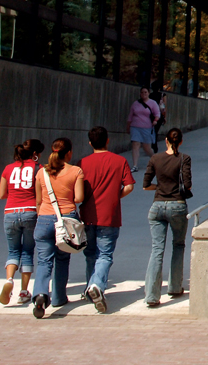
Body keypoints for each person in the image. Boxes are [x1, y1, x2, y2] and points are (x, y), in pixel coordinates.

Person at [79, 126, 135, 314]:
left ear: (90, 142)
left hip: (88, 215)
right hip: (109, 215)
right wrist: (115, 195)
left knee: (90, 254)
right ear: (108, 140)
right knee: (105, 255)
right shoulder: (120, 161)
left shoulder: (83, 163)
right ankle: (97, 286)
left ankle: (90, 288)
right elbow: (129, 186)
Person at [31, 138, 85, 318]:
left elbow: (38, 200)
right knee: (62, 259)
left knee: (44, 260)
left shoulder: (42, 172)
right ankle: (59, 297)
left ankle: (40, 294)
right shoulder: (76, 171)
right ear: (69, 153)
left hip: (44, 218)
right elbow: (78, 198)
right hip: (67, 219)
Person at [142, 128, 191, 308]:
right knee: (178, 245)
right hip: (177, 205)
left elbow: (145, 185)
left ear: (166, 141)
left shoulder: (155, 158)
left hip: (157, 206)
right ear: (181, 141)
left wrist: (160, 186)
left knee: (157, 249)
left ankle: (152, 296)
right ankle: (175, 286)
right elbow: (187, 184)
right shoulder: (184, 158)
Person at [0, 139, 44, 306]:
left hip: (10, 213)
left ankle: (9, 280)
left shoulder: (8, 169)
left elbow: (2, 194)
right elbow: (42, 194)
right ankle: (24, 291)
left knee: (13, 251)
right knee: (27, 251)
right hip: (30, 212)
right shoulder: (39, 169)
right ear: (35, 154)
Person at [126, 87, 160, 172]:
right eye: (142, 92)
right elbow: (130, 116)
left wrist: (155, 121)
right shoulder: (135, 104)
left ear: (148, 93)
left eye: (145, 92)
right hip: (135, 127)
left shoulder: (153, 103)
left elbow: (157, 114)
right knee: (135, 144)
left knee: (147, 148)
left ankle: (156, 160)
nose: (144, 94)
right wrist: (128, 126)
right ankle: (135, 165)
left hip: (147, 127)